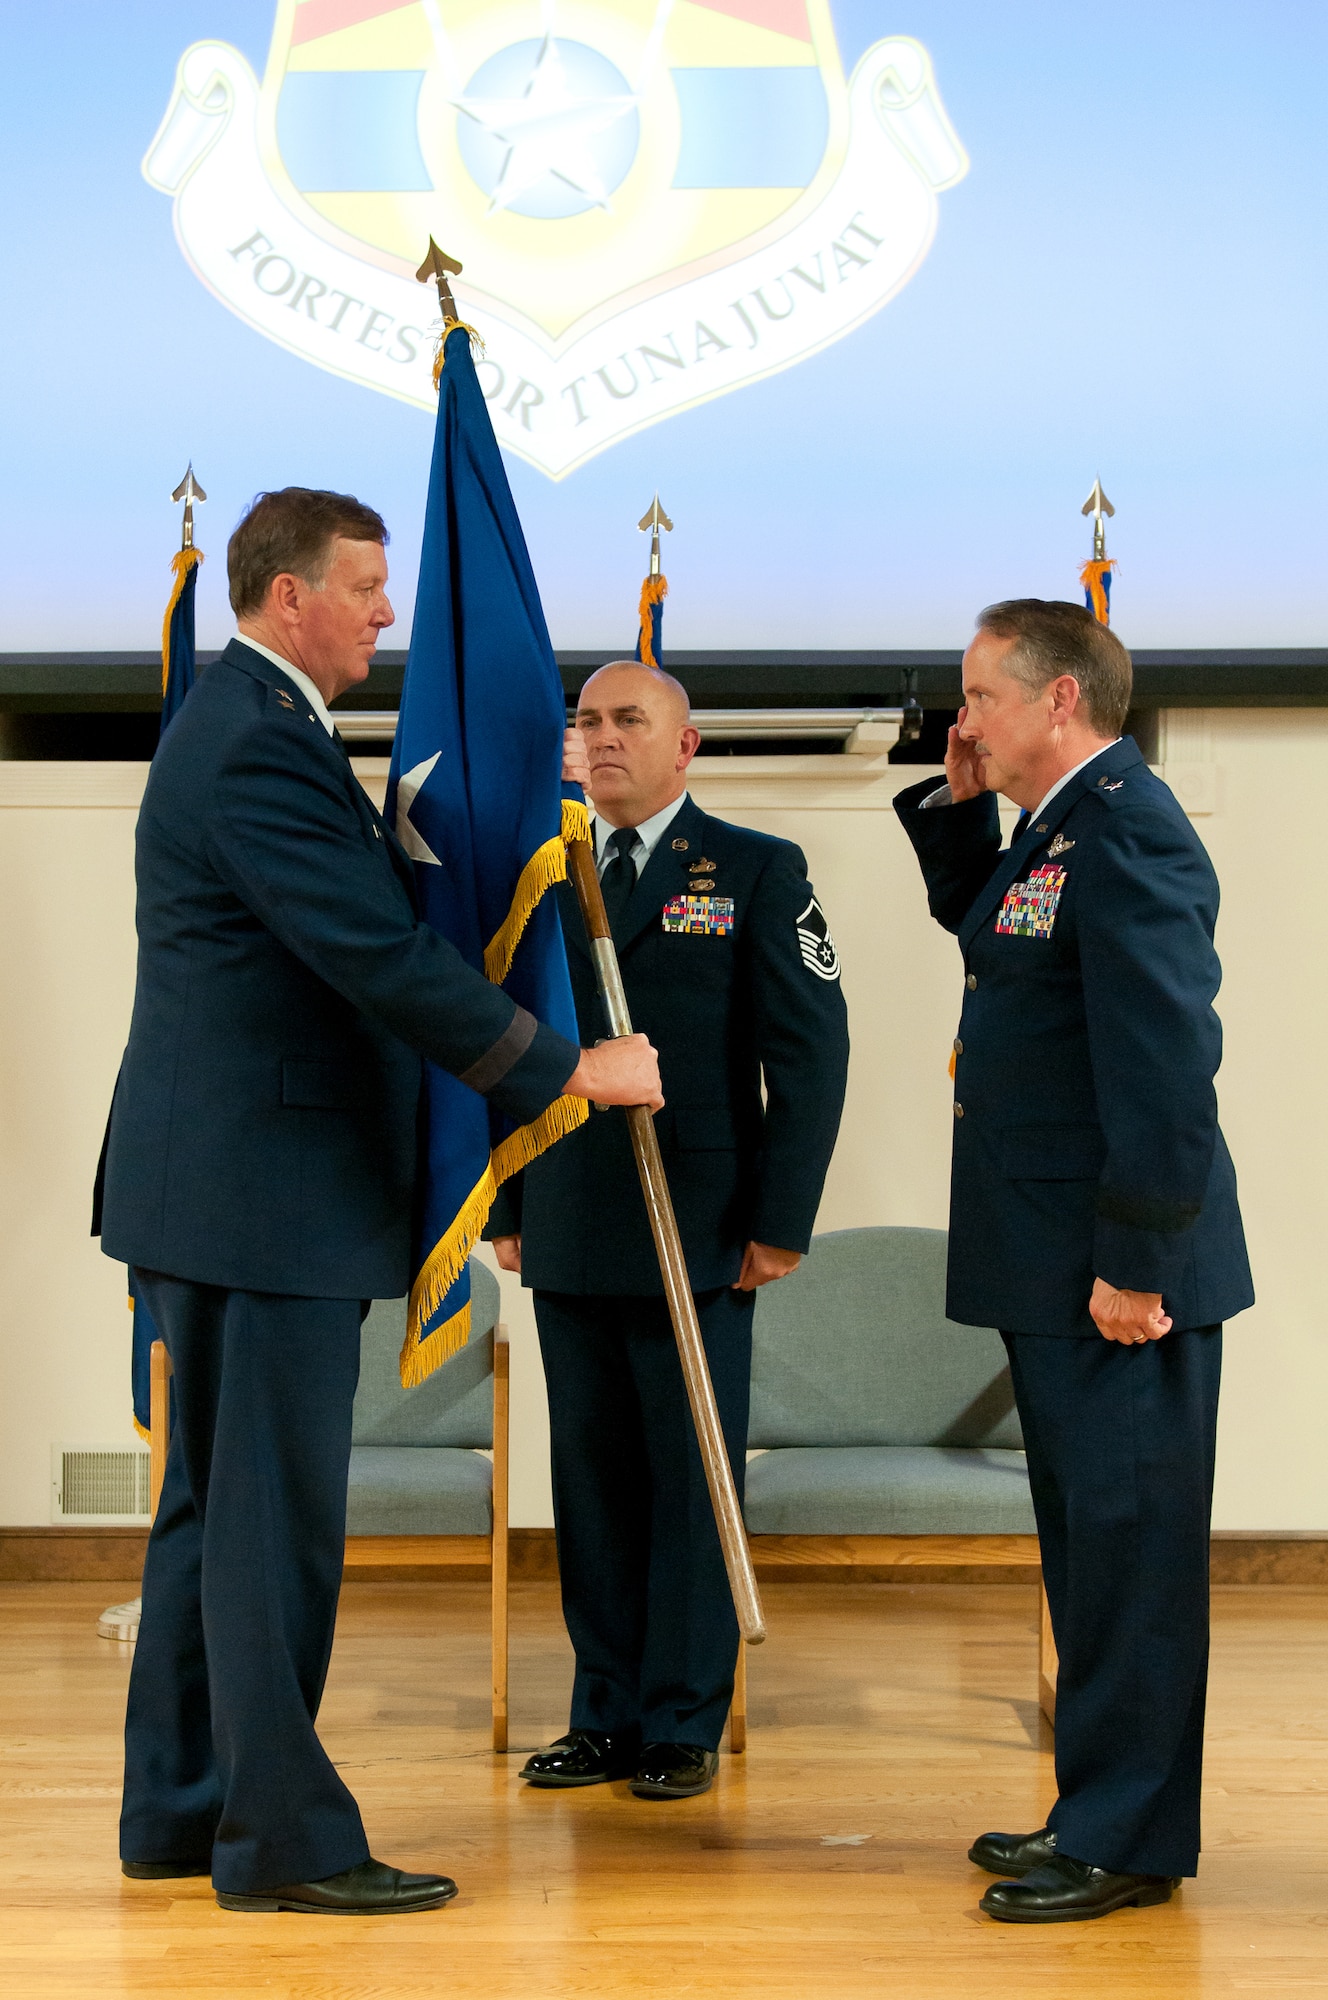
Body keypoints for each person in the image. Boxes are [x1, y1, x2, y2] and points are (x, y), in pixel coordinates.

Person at [94, 489, 660, 1916]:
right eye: (363, 587)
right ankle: (282, 1842)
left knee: (213, 1517)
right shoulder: (255, 747)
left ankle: (183, 1809)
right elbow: (367, 953)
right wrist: (562, 1067)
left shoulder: (252, 730)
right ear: (291, 600)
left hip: (223, 1193)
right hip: (256, 1198)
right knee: (267, 1526)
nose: (387, 614)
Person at [894, 599, 1253, 1923]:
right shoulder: (1058, 827)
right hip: (1056, 1259)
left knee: (1131, 1555)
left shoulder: (1132, 826)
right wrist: (955, 799)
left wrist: (1138, 1263)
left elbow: (1167, 1069)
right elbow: (994, 939)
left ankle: (1129, 1841)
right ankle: (1097, 1808)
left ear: (1059, 702)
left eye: (983, 696)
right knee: (1090, 1553)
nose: (962, 719)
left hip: (1118, 1272)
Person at [487, 661, 849, 1800]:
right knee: (589, 1481)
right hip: (571, 1216)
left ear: (684, 745)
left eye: (626, 719)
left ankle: (683, 1715)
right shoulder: (542, 873)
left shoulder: (752, 868)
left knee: (688, 1477)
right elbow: (503, 1041)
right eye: (585, 720)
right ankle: (602, 1710)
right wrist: (505, 1198)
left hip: (698, 1224)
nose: (599, 738)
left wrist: (780, 1220)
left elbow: (809, 1055)